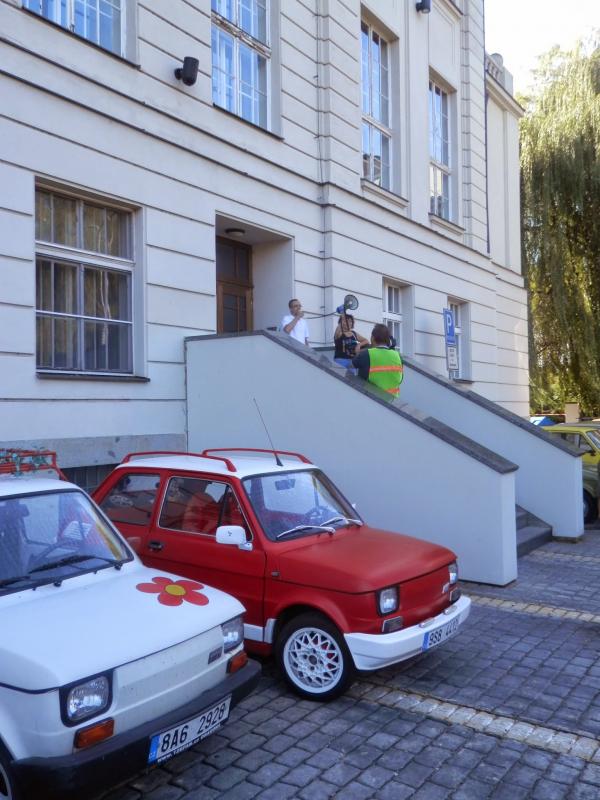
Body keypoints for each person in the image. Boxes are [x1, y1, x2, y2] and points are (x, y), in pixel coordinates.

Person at [352, 323, 403, 398]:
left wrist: (358, 353)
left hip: (371, 400)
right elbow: (400, 379)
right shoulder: (398, 356)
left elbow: (353, 364)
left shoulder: (366, 354)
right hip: (393, 401)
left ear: (372, 338)